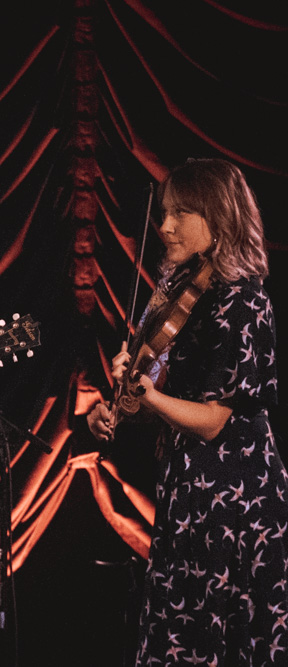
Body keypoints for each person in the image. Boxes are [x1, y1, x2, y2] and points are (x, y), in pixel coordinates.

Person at [87, 158, 284, 665]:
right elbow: (170, 404)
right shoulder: (185, 293)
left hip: (233, 501)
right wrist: (123, 408)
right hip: (190, 494)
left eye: (180, 214)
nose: (165, 226)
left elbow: (215, 419)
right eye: (166, 212)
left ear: (218, 220)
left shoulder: (244, 301)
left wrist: (148, 396)